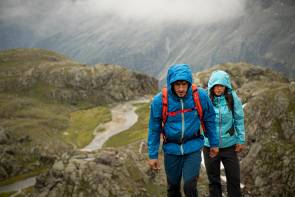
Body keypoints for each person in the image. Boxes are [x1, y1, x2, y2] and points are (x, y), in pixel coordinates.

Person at [147, 64, 219, 197]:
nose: (181, 88)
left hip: (193, 148)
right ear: (171, 84)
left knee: (189, 186)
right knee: (173, 188)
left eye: (184, 84)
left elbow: (209, 119)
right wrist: (153, 155)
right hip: (171, 150)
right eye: (177, 84)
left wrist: (214, 143)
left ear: (189, 83)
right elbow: (154, 129)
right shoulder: (159, 101)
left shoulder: (200, 96)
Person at [203, 70, 245, 197]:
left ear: (226, 86)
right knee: (214, 181)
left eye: (221, 85)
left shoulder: (232, 97)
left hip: (230, 146)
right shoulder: (206, 98)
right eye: (216, 85)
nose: (218, 88)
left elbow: (239, 118)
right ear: (211, 86)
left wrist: (240, 139)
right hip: (210, 146)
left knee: (234, 180)